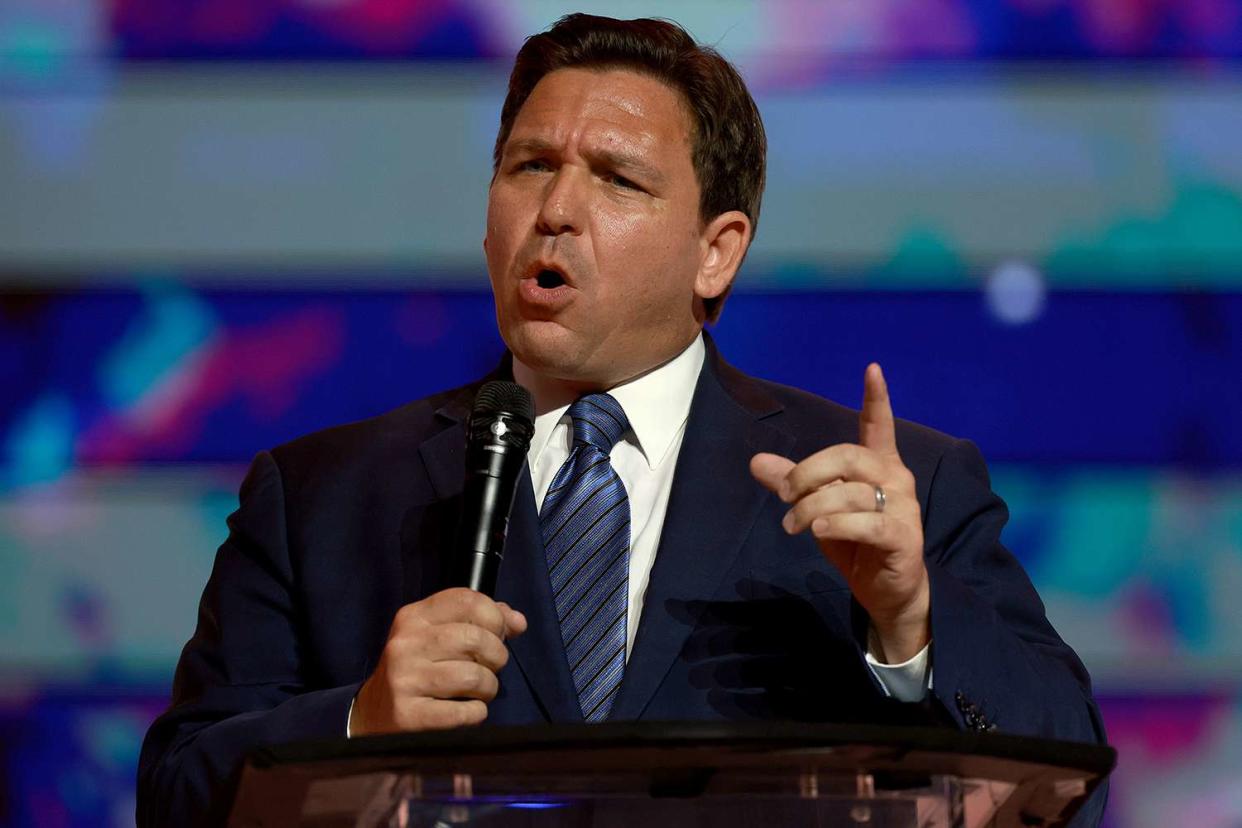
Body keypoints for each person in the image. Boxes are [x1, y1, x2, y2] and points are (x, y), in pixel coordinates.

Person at [137, 13, 1107, 826]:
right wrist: (357, 722)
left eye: (617, 179)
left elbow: (1068, 789)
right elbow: (177, 794)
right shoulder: (320, 495)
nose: (556, 209)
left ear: (716, 252)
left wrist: (908, 626)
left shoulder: (886, 490)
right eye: (528, 166)